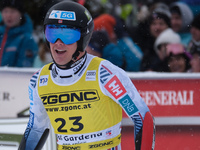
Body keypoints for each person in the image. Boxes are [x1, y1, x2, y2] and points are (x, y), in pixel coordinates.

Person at [18, 1, 155, 150]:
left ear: (83, 38)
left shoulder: (104, 74)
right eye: (53, 33)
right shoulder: (39, 81)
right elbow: (36, 130)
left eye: (67, 35)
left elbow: (143, 119)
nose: (58, 43)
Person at [0, 0, 38, 67]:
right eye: (5, 11)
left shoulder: (26, 39)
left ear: (21, 14)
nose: (9, 15)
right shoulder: (1, 35)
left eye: (13, 11)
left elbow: (23, 71)